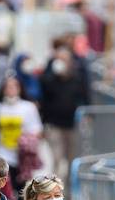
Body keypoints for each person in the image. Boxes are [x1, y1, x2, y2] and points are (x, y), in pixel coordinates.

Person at [38, 45, 90, 178]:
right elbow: (43, 98)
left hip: (72, 124)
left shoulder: (77, 78)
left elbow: (85, 97)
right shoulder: (49, 79)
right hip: (54, 124)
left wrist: (88, 116)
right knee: (57, 158)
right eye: (58, 59)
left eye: (64, 59)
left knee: (71, 159)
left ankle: (70, 189)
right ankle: (54, 189)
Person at [0, 76, 43, 186]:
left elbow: (37, 130)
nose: (11, 89)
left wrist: (26, 141)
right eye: (8, 87)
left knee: (22, 188)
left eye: (14, 86)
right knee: (5, 185)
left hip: (22, 155)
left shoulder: (28, 107)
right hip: (3, 152)